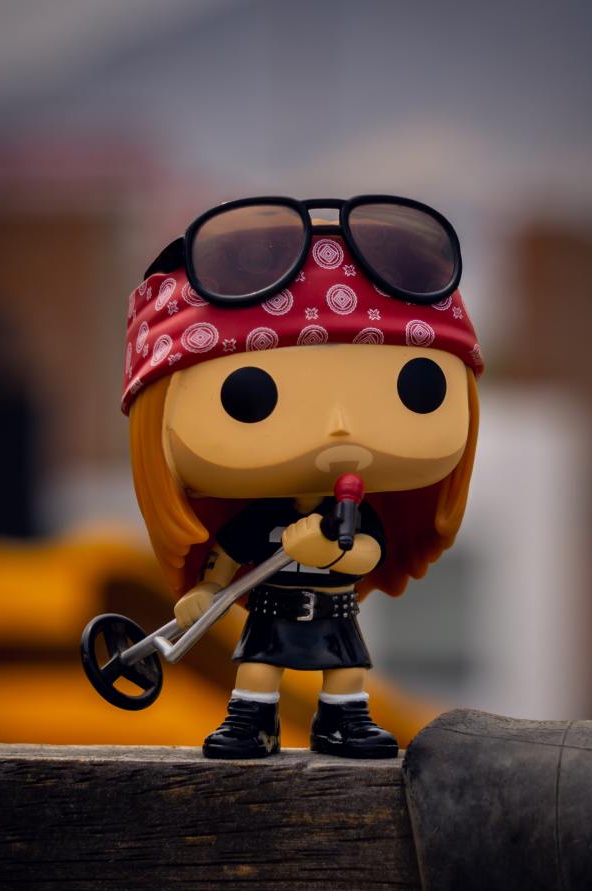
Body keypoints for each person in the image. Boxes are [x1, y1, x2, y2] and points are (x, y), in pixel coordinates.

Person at [122, 196, 483, 759]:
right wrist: (206, 592)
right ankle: (252, 723)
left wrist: (333, 550)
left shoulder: (353, 513)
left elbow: (369, 553)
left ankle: (343, 724)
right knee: (258, 668)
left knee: (345, 672)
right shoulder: (262, 518)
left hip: (335, 611)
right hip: (272, 610)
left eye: (417, 387)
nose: (340, 427)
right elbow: (225, 555)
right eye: (249, 396)